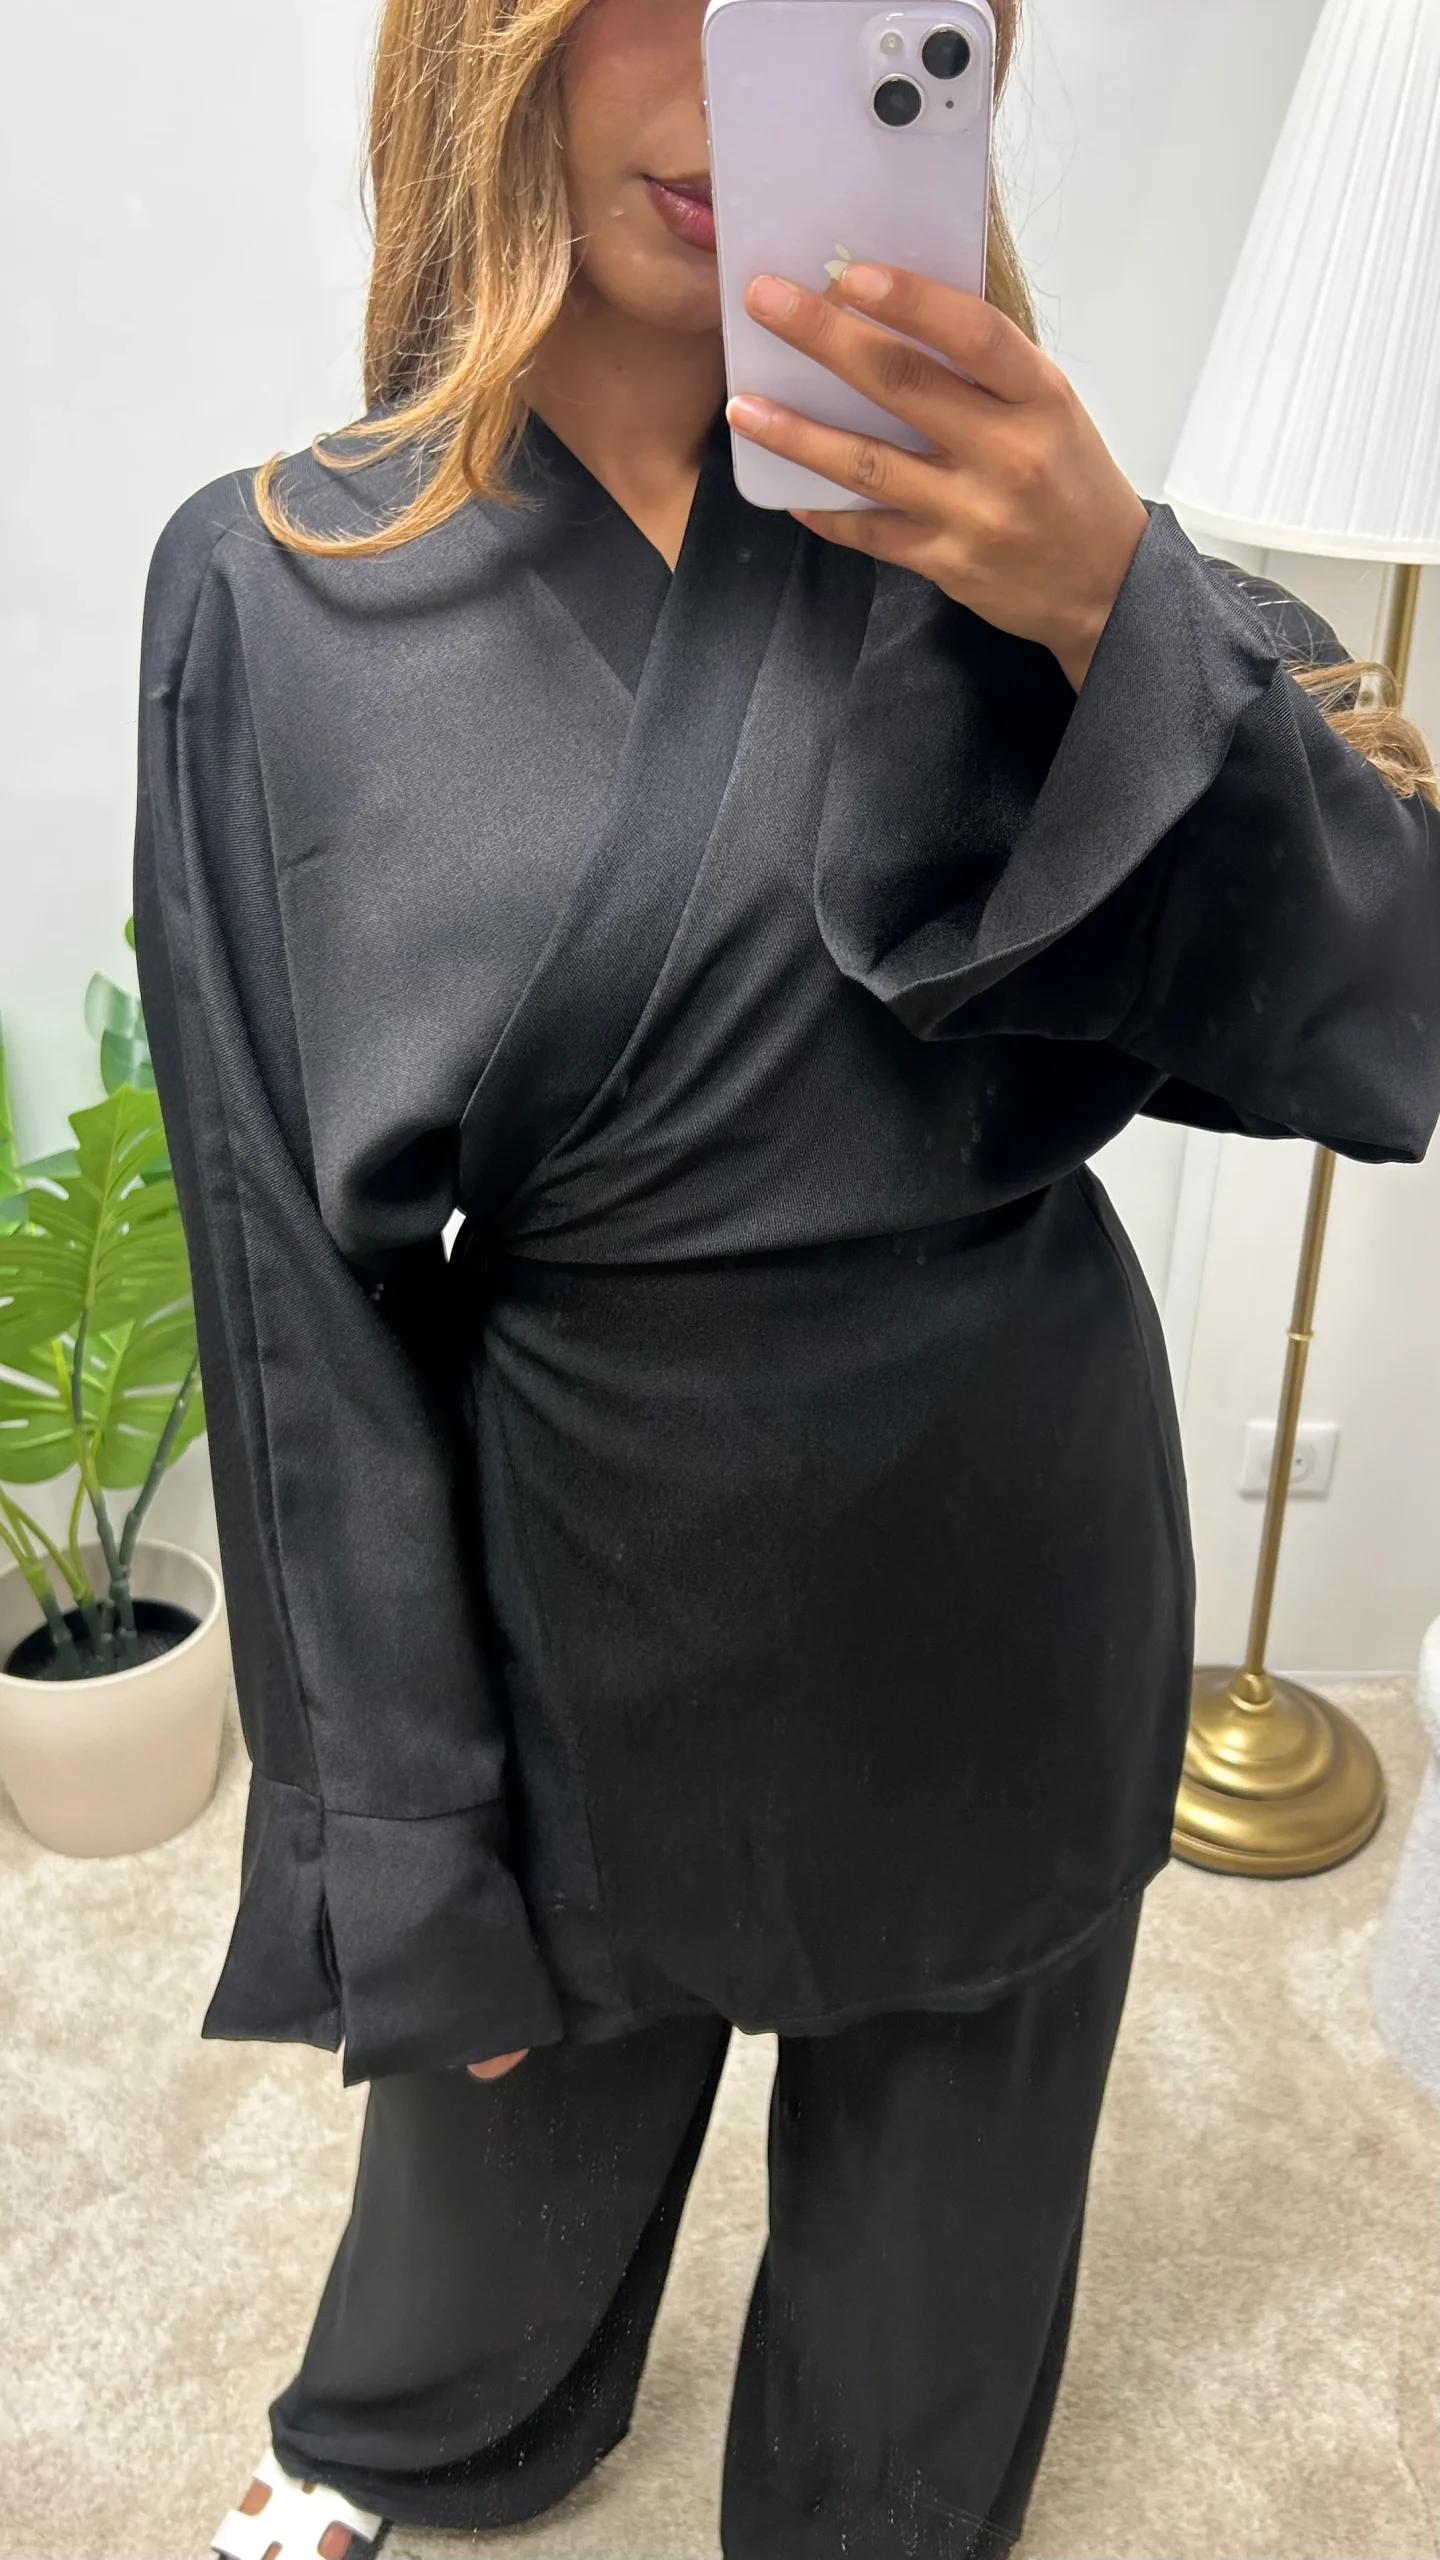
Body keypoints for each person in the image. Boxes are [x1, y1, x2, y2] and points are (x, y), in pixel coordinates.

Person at [130, 0, 1440, 2552]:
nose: (748, 72)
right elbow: (292, 1295)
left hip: (1010, 1582)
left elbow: (1387, 1007)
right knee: (477, 2234)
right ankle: (422, 2441)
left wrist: (1109, 608)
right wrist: (403, 1843)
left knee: (924, 2337)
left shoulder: (1029, 535)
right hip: (581, 1599)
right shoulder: (281, 587)